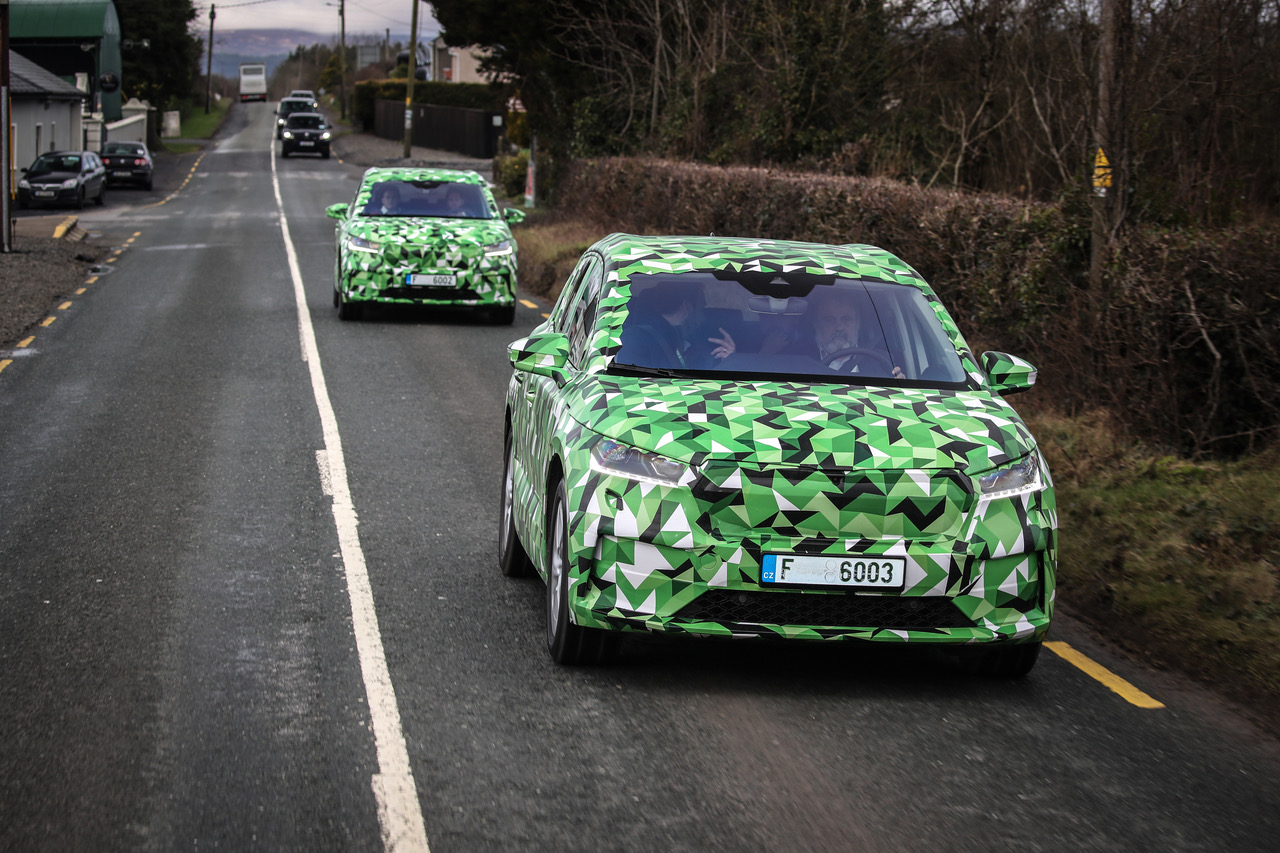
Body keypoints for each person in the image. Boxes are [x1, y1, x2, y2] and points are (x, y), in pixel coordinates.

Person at [781, 287, 904, 378]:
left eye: (847, 319)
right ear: (816, 324)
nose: (839, 327)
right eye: (830, 320)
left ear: (858, 323)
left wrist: (900, 385)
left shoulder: (885, 362)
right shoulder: (794, 359)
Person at [619, 281, 737, 368]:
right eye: (701, 308)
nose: (703, 316)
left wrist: (731, 360)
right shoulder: (635, 339)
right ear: (687, 307)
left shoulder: (699, 342)